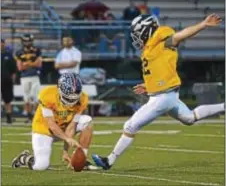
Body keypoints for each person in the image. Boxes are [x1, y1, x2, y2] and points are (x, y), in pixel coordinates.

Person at [92, 14, 225, 170]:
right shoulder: (152, 47)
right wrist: (148, 85)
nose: (136, 37)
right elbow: (158, 71)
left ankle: (109, 160)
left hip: (163, 97)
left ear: (146, 29)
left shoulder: (164, 41)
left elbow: (181, 35)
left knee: (130, 127)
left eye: (137, 32)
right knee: (190, 118)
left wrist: (203, 25)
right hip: (168, 95)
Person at [11, 73, 96, 171]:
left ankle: (82, 158)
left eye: (74, 97)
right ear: (59, 90)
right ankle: (24, 158)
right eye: (68, 97)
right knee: (41, 166)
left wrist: (65, 151)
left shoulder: (83, 99)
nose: (71, 100)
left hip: (64, 126)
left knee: (87, 121)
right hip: (44, 130)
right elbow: (51, 124)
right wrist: (67, 139)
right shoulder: (47, 95)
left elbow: (72, 126)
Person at [15, 34, 42, 123]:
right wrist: (32, 63)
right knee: (27, 98)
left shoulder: (37, 50)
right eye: (26, 41)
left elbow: (39, 64)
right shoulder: (19, 52)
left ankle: (36, 116)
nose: (27, 42)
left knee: (36, 97)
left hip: (34, 76)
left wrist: (26, 64)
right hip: (24, 77)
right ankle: (29, 116)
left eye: (29, 40)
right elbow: (20, 68)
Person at [1, 39, 17, 124]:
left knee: (7, 100)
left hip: (6, 80)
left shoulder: (9, 55)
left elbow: (14, 69)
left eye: (2, 43)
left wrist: (13, 80)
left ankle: (8, 117)